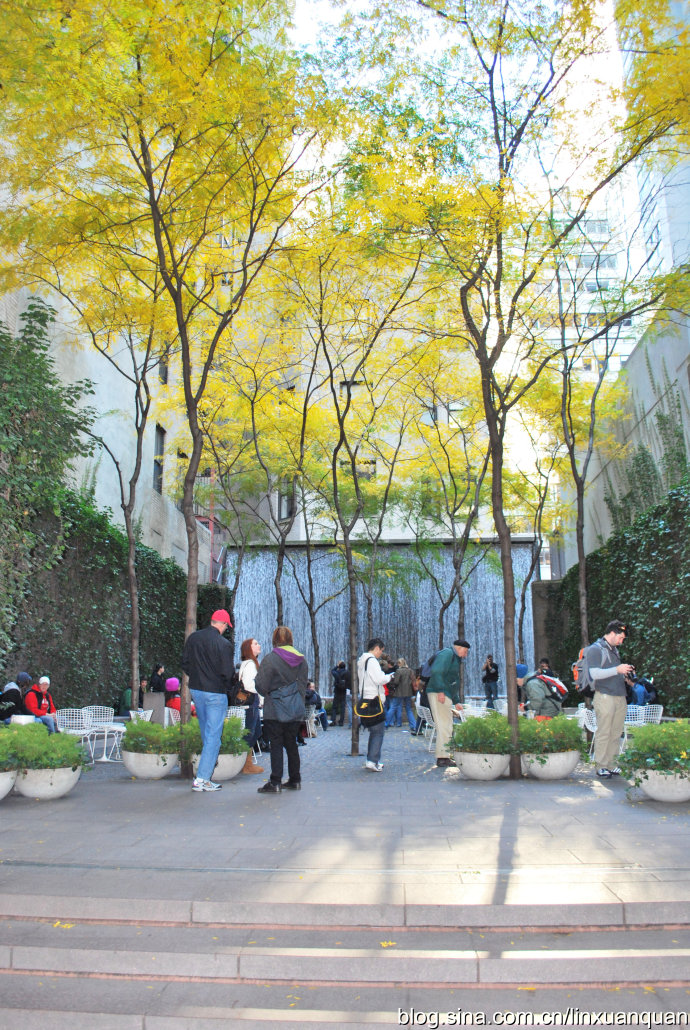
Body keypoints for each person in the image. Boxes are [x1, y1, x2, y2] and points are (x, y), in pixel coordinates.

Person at [181, 609, 235, 792]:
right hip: (215, 693)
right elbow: (228, 673)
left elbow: (185, 663)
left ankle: (207, 767)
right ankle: (202, 779)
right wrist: (227, 688)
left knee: (206, 732)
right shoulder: (224, 644)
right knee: (213, 736)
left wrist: (197, 677)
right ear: (223, 624)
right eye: (226, 626)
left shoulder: (194, 638)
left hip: (197, 690)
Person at [255, 626, 308, 794]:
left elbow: (261, 686)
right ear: (291, 640)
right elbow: (302, 687)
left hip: (274, 709)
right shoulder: (302, 660)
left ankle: (275, 782)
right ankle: (295, 780)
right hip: (295, 709)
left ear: (274, 640)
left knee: (276, 744)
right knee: (291, 743)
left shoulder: (270, 659)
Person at [588, 619, 635, 779]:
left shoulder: (614, 650)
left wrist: (625, 673)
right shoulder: (595, 649)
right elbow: (594, 673)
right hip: (605, 696)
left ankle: (612, 764)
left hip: (620, 695)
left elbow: (613, 672)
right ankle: (601, 766)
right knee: (604, 732)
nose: (622, 642)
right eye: (621, 638)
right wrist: (617, 669)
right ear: (613, 633)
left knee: (616, 732)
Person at [426, 639, 470, 767]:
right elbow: (437, 671)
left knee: (446, 725)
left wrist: (456, 701)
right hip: (440, 693)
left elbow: (451, 682)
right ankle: (443, 757)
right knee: (444, 725)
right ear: (459, 648)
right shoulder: (447, 653)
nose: (466, 655)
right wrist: (440, 690)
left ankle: (444, 756)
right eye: (465, 651)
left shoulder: (453, 657)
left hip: (444, 693)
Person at [357, 637, 394, 772]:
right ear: (377, 648)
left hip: (365, 699)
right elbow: (379, 679)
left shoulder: (362, 661)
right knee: (378, 732)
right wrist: (390, 676)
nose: (381, 653)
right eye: (381, 650)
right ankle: (372, 761)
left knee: (374, 732)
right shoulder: (372, 661)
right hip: (374, 701)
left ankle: (371, 760)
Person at [237, 638, 265, 775]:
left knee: (255, 731)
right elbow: (249, 685)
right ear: (249, 648)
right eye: (255, 643)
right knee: (250, 732)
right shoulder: (250, 664)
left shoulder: (249, 663)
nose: (259, 645)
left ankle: (246, 763)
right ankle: (246, 765)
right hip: (250, 701)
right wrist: (261, 694)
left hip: (251, 701)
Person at [385, 658, 417, 729]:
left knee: (393, 707)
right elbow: (413, 680)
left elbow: (396, 682)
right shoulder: (410, 670)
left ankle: (386, 723)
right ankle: (413, 725)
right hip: (408, 692)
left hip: (399, 692)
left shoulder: (398, 671)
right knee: (408, 709)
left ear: (399, 664)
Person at [330, 661, 349, 726]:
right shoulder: (347, 672)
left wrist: (337, 666)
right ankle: (341, 722)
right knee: (342, 707)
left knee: (334, 707)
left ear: (339, 667)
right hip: (343, 691)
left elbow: (332, 671)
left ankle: (333, 721)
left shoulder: (337, 672)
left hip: (337, 691)